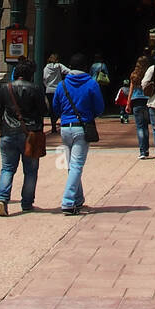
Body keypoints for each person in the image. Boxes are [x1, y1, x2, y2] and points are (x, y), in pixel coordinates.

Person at [52, 53, 105, 215]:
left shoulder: (62, 85)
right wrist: (89, 115)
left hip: (65, 127)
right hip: (82, 127)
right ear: (85, 67)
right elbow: (100, 107)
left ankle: (78, 198)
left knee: (71, 165)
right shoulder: (91, 84)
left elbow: (55, 108)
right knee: (76, 165)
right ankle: (68, 202)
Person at [0, 59, 45, 216]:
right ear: (31, 74)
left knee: (7, 168)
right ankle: (27, 203)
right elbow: (42, 111)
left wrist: (1, 129)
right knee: (30, 171)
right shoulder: (35, 89)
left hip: (8, 132)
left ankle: (2, 198)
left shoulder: (5, 88)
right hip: (30, 134)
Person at [129, 55, 152, 159]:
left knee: (140, 127)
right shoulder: (149, 74)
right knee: (146, 126)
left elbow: (131, 90)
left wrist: (128, 103)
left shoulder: (134, 75)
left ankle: (142, 151)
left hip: (136, 100)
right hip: (147, 100)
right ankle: (146, 149)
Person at [43, 52, 65, 129]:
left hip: (49, 90)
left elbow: (45, 78)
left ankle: (53, 125)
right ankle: (57, 119)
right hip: (58, 89)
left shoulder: (46, 68)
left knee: (51, 107)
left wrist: (47, 85)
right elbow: (68, 71)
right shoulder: (59, 66)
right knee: (60, 105)